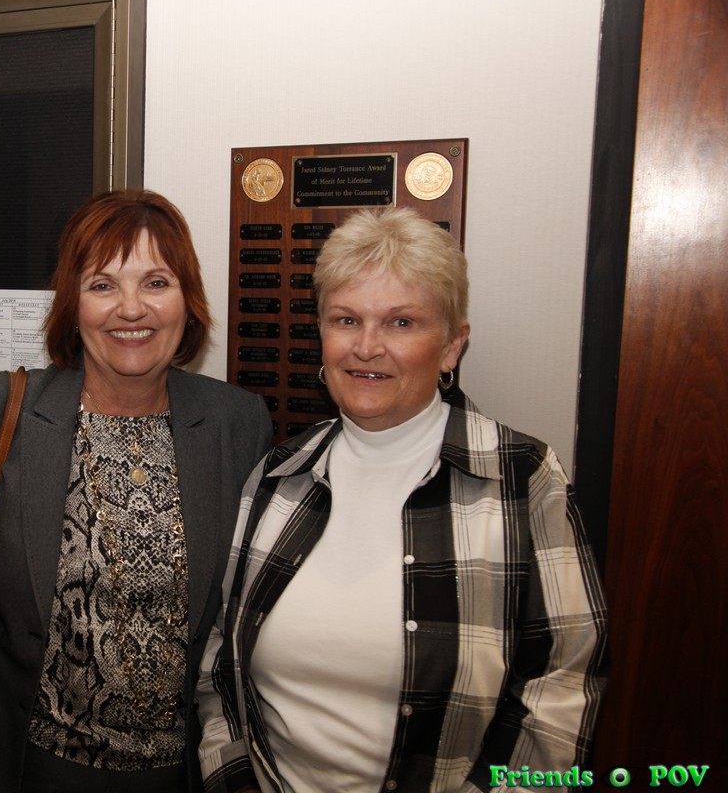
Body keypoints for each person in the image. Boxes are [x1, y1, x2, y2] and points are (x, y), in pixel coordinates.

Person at [197, 207, 609, 793]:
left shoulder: (522, 479)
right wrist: (233, 778)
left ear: (451, 346)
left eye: (401, 322)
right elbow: (222, 664)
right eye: (346, 319)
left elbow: (560, 691)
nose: (367, 347)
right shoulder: (278, 475)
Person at [0, 189, 274, 792]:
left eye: (156, 282)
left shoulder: (238, 424)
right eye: (102, 285)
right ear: (73, 305)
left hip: (186, 774)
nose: (131, 308)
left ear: (188, 302)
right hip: (22, 766)